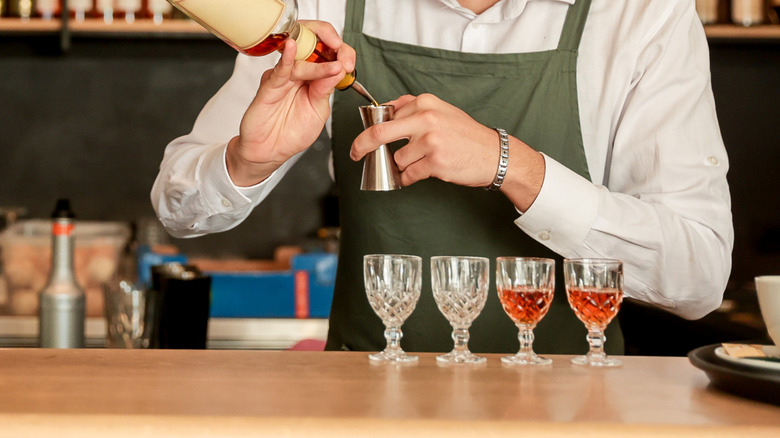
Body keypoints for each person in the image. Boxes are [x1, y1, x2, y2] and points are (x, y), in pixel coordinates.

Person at [151, 0, 733, 354]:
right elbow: (179, 210)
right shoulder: (321, 10)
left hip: (567, 411)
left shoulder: (641, 15)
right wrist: (248, 161)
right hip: (363, 405)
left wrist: (512, 167)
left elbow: (698, 275)